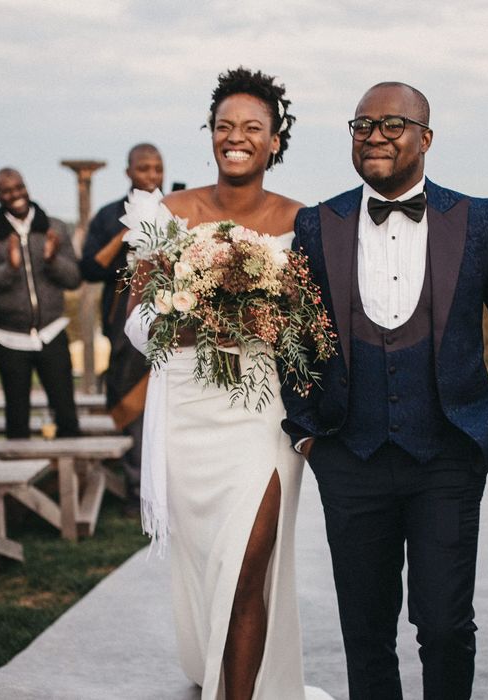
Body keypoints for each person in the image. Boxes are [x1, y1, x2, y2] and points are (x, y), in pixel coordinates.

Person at [280, 82, 488, 699]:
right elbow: (288, 336)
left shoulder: (476, 218)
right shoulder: (317, 224)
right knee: (365, 632)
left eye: (393, 123)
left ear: (425, 139)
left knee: (446, 626)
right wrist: (307, 432)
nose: (374, 135)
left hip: (447, 459)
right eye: (362, 125)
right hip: (350, 457)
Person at [125, 68, 330, 700]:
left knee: (248, 564)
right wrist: (197, 318)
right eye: (223, 127)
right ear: (211, 136)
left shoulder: (306, 222)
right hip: (187, 411)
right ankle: (209, 663)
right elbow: (136, 322)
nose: (234, 138)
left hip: (261, 414)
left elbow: (314, 331)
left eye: (251, 128)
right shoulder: (170, 214)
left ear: (275, 140)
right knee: (205, 562)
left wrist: (270, 320)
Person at [81, 144, 164, 514]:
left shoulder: (175, 207)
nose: (152, 175)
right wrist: (124, 233)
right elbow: (88, 268)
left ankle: (167, 487)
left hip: (169, 318)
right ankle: (135, 489)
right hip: (122, 324)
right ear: (129, 172)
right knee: (130, 402)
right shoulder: (108, 215)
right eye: (144, 168)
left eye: (157, 168)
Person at [0, 168, 81, 439]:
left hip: (52, 332)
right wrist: (9, 269)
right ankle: (17, 480)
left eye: (19, 187)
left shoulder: (54, 227)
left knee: (66, 415)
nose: (15, 195)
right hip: (9, 338)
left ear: (26, 187)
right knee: (17, 419)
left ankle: (68, 477)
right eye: (7, 190)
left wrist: (52, 260)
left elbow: (74, 279)